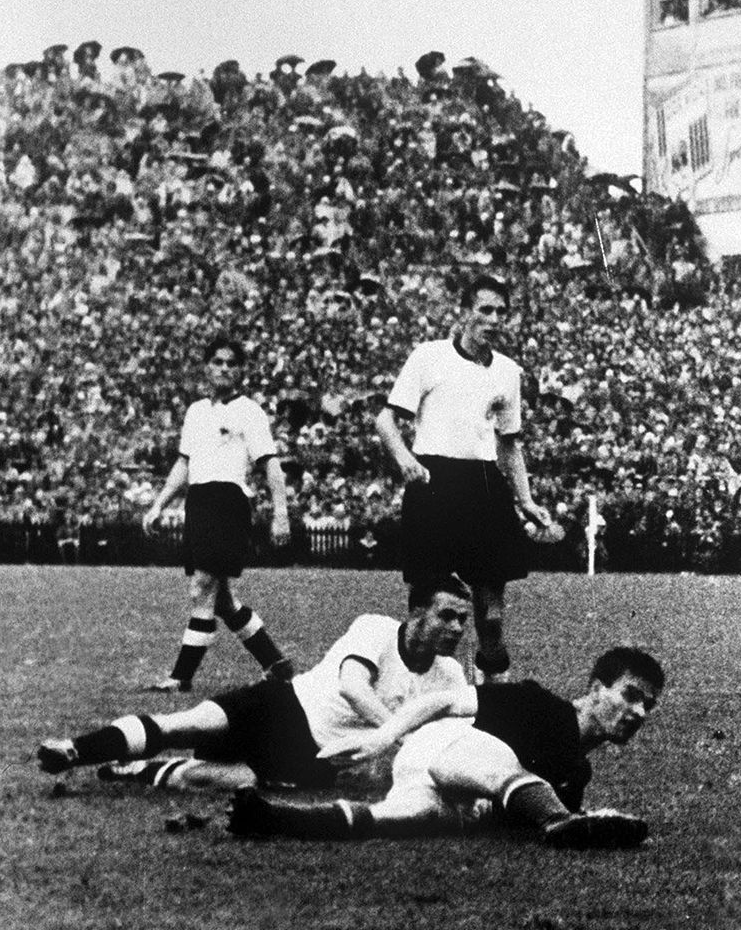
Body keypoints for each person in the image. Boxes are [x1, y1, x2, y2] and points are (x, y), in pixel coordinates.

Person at [37, 581, 478, 790]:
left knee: (222, 779)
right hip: (282, 704)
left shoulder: (450, 676)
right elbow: (353, 688)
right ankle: (75, 749)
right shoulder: (375, 628)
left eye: (463, 619)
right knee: (187, 724)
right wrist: (399, 736)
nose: (457, 628)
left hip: (313, 755)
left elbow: (460, 739)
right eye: (447, 616)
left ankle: (138, 770)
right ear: (415, 613)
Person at [225, 647, 663, 851]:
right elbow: (443, 701)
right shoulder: (539, 704)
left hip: (453, 795)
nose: (639, 712)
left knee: (402, 819)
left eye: (647, 704)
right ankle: (560, 820)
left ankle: (269, 816)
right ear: (596, 689)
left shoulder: (577, 773)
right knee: (500, 766)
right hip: (439, 749)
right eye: (630, 695)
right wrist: (382, 736)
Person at [374, 274, 553, 681]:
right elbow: (385, 420)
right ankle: (415, 693)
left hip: (484, 485)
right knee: (428, 612)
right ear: (464, 312)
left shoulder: (507, 371)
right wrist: (404, 458)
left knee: (491, 617)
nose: (493, 319)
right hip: (433, 483)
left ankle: (493, 698)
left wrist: (526, 500)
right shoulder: (429, 356)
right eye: (484, 309)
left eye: (501, 312)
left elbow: (510, 443)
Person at [138, 336, 295, 692]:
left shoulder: (249, 411)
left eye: (231, 363)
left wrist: (281, 513)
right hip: (198, 501)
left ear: (240, 371)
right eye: (217, 362)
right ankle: (276, 663)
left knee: (201, 588)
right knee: (222, 600)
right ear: (206, 367)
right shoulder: (196, 411)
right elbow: (184, 462)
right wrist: (159, 503)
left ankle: (181, 678)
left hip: (227, 501)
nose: (224, 368)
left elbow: (271, 465)